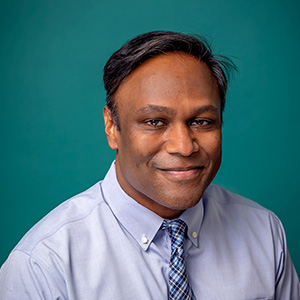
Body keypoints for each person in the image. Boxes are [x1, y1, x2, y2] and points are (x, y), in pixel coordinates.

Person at [0, 31, 299, 300]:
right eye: (155, 122)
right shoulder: (44, 265)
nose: (183, 147)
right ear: (111, 127)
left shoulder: (264, 232)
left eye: (201, 121)